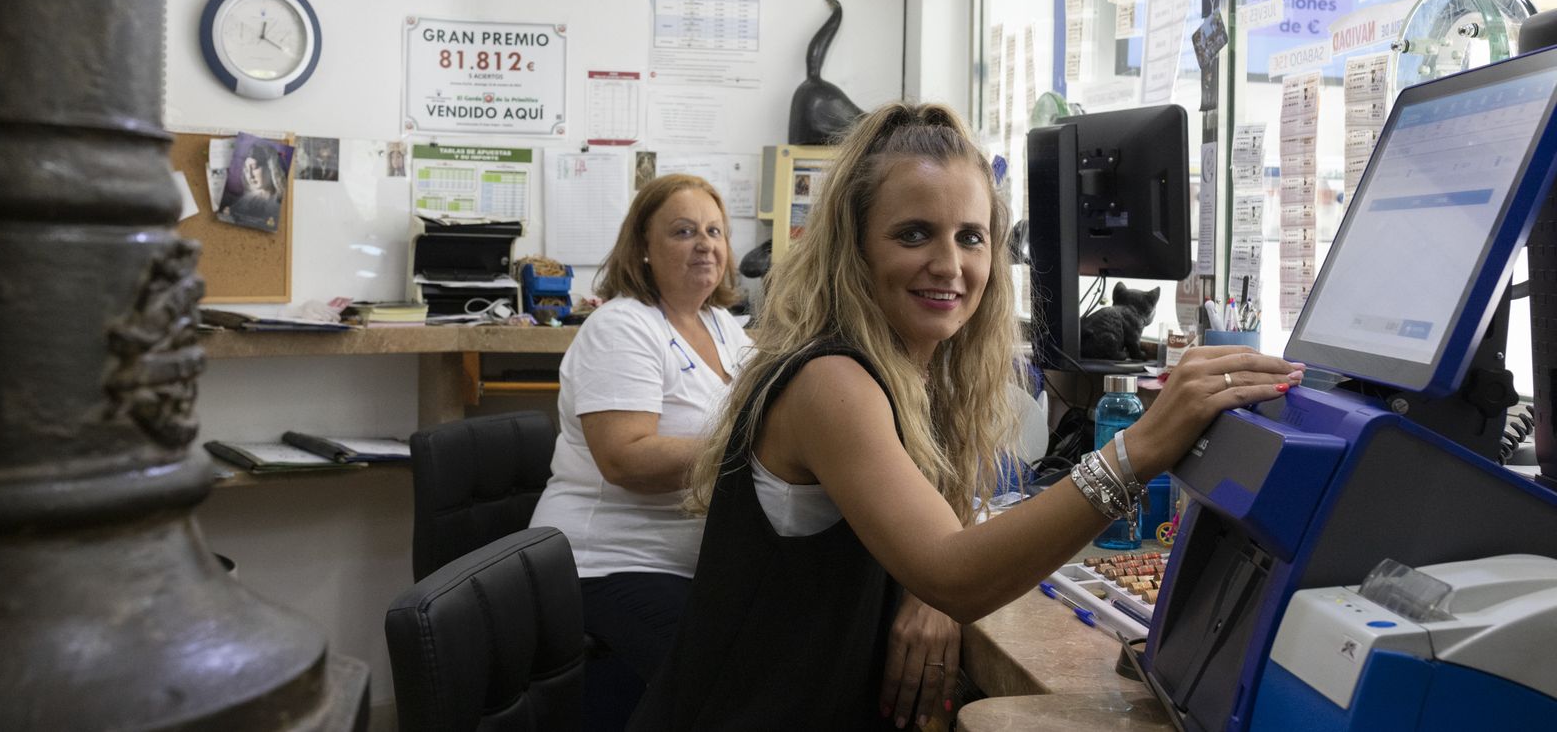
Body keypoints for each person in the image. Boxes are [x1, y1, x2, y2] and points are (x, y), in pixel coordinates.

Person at [629, 103, 1303, 730]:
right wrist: (1139, 450)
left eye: (971, 237)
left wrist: (928, 595)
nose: (949, 265)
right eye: (914, 234)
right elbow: (956, 570)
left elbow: (936, 544)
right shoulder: (828, 381)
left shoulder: (915, 370)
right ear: (854, 247)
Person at [528, 173, 754, 728]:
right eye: (683, 231)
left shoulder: (724, 326)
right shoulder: (621, 328)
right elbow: (626, 460)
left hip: (690, 563)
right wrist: (751, 446)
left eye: (714, 231)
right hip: (603, 564)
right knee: (728, 681)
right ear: (644, 250)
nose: (705, 244)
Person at [221, 142, 285, 229]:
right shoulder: (244, 201)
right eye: (247, 170)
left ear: (270, 168)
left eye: (254, 168)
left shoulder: (281, 206)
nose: (250, 175)